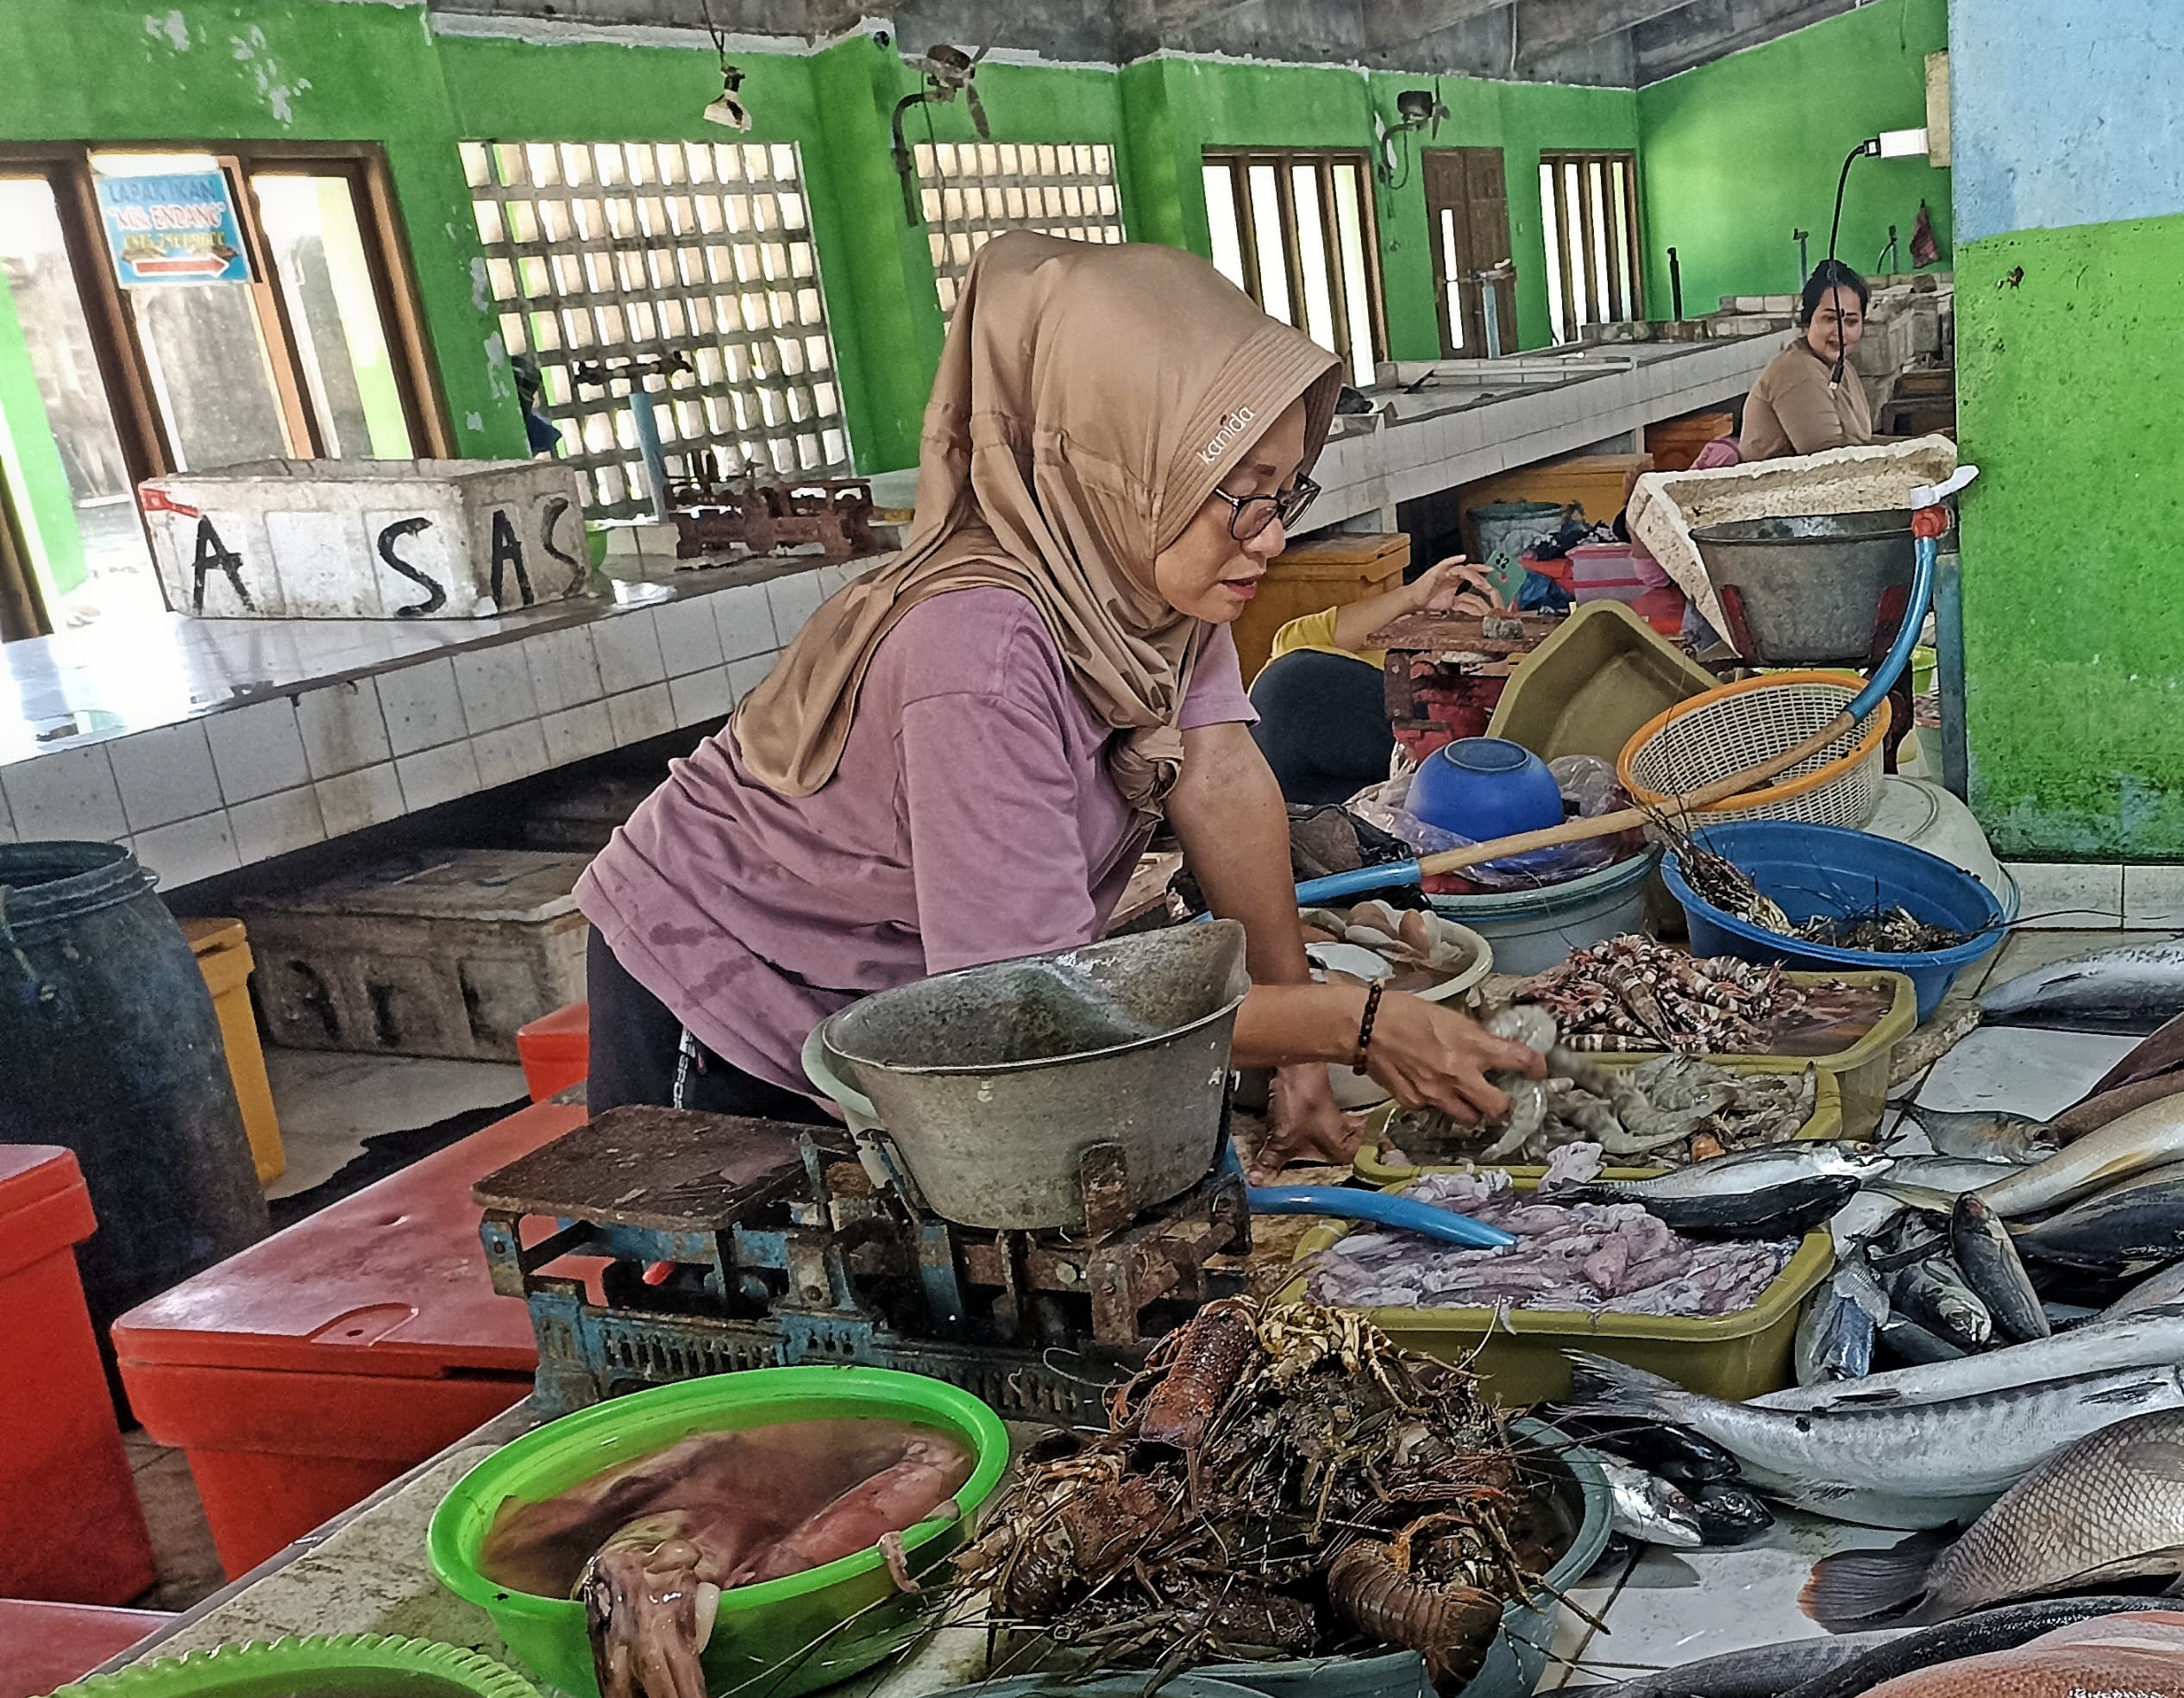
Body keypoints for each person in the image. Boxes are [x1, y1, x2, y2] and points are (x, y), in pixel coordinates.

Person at [576, 232, 1534, 1163]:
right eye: (1238, 493)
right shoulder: (979, 661)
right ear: (1116, 466)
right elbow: (1029, 1006)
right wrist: (1351, 1025)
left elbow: (1220, 775)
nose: (1271, 538)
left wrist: (1300, 1058)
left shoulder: (1139, 576)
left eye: (1283, 491)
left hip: (927, 986)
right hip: (735, 979)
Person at [1249, 556, 1505, 818]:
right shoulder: (1299, 652)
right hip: (1284, 745)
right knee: (1290, 682)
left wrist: (1479, 643)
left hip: (1324, 776)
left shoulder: (1298, 649)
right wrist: (1414, 598)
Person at [1736, 260, 1878, 461]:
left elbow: (1860, 445)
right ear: (1807, 322)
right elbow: (1828, 461)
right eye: (1829, 319)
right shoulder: (1797, 370)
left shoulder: (1842, 368)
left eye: (1851, 322)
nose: (1841, 331)